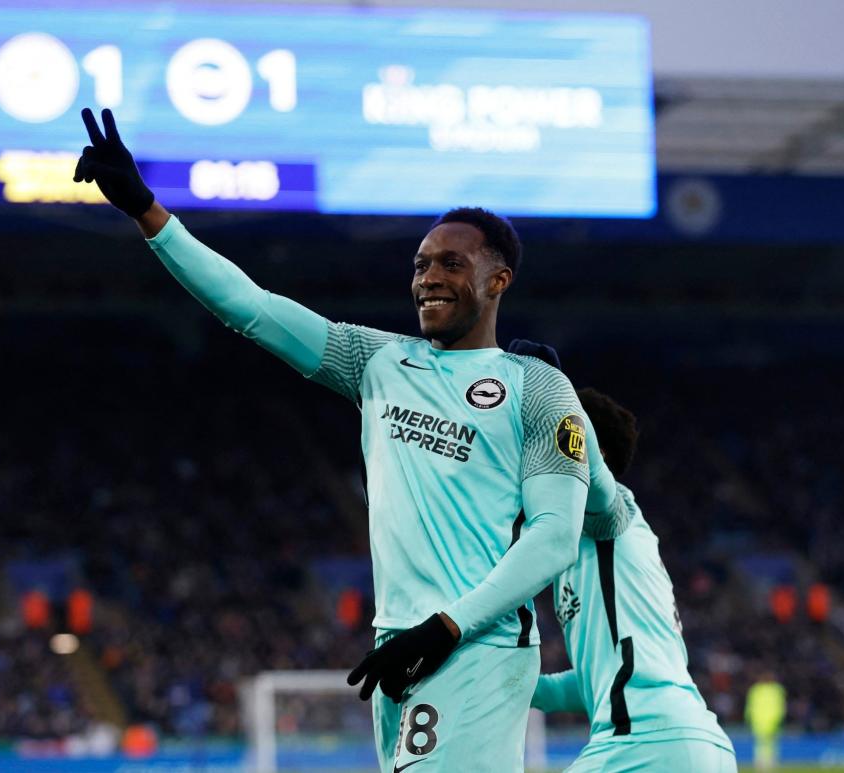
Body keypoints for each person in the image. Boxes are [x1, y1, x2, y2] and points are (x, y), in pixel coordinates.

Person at [72, 109, 627, 772]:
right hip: (396, 644)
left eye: (453, 263)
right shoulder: (379, 362)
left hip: (477, 644)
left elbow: (553, 538)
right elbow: (250, 307)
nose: (429, 276)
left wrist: (445, 626)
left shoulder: (536, 389)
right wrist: (147, 212)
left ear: (497, 280)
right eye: (422, 263)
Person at [510, 359, 734, 771]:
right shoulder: (587, 546)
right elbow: (597, 679)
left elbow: (596, 486)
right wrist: (519, 687)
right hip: (692, 744)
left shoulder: (607, 512)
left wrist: (557, 410)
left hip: (647, 741)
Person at [745, 672, 785, 770]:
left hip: (763, 720)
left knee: (763, 742)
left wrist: (748, 716)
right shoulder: (775, 690)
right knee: (766, 742)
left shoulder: (759, 689)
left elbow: (750, 706)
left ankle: (764, 762)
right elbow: (780, 706)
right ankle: (767, 762)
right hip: (765, 720)